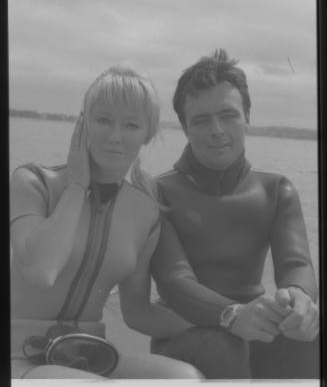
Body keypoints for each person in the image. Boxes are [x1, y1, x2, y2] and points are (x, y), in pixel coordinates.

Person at [10, 64, 202, 379]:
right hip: (18, 356)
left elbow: (138, 313)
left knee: (186, 378)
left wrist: (222, 317)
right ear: (82, 124)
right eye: (102, 120)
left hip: (91, 356)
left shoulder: (146, 211)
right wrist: (76, 186)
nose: (115, 137)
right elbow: (41, 270)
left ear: (148, 133)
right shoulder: (33, 182)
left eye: (130, 125)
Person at [150, 49, 319, 379]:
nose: (217, 130)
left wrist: (298, 300)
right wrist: (231, 314)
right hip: (185, 331)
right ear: (185, 128)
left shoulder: (276, 190)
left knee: (308, 333)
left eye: (228, 115)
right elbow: (174, 281)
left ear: (247, 119)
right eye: (201, 120)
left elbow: (296, 265)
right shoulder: (160, 193)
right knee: (223, 346)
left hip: (255, 322)